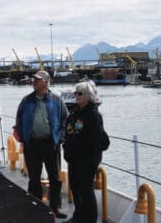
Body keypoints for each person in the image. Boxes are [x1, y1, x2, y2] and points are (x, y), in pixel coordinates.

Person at [15, 70, 68, 219]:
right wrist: (23, 137)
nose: (34, 82)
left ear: (46, 81)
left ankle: (55, 208)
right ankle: (36, 206)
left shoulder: (57, 100)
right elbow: (19, 119)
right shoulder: (26, 100)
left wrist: (60, 137)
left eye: (38, 80)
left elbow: (65, 120)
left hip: (51, 144)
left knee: (55, 178)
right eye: (34, 80)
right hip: (32, 145)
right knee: (34, 178)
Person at [63, 80, 107, 223]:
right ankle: (79, 216)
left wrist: (86, 157)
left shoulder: (93, 115)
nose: (76, 96)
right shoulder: (75, 113)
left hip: (87, 160)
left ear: (88, 96)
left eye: (80, 93)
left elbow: (94, 140)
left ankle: (90, 219)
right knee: (75, 187)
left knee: (86, 190)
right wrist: (67, 149)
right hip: (74, 159)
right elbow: (68, 132)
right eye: (75, 93)